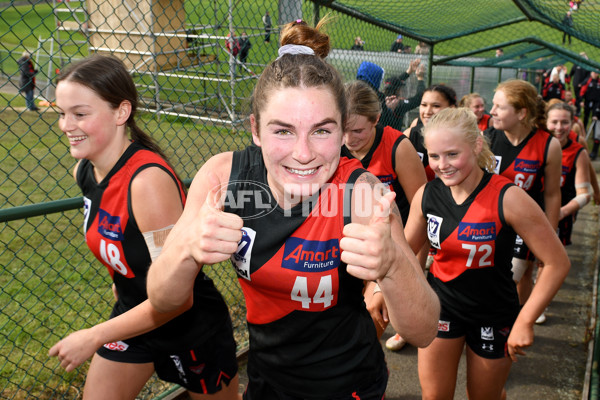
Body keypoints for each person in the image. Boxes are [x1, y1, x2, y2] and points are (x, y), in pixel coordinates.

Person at [146, 18, 440, 400]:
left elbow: (423, 330)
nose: (303, 154)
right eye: (283, 130)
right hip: (268, 383)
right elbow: (162, 297)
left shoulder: (361, 191)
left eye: (322, 130)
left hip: (349, 385)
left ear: (343, 130)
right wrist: (185, 249)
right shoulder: (224, 179)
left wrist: (393, 265)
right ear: (255, 129)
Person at [48, 55, 240, 400]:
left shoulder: (148, 182)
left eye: (79, 113)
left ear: (121, 112)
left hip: (190, 327)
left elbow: (177, 299)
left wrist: (95, 335)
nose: (65, 125)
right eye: (62, 113)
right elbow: (121, 247)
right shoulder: (85, 172)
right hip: (133, 318)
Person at [405, 107, 570, 400]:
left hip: (494, 314)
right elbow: (404, 253)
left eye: (453, 154)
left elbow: (557, 262)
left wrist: (525, 320)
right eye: (434, 156)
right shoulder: (427, 195)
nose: (442, 165)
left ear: (477, 145)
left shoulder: (510, 197)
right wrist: (379, 287)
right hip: (441, 308)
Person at [342, 79, 428, 342]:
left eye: (357, 131)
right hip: (350, 247)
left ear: (377, 119)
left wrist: (384, 275)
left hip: (394, 246)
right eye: (341, 130)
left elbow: (422, 210)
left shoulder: (398, 147)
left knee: (368, 330)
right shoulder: (331, 146)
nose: (348, 139)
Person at [484, 79, 562, 324]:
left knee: (511, 278)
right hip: (489, 222)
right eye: (492, 105)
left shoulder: (548, 145)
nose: (492, 111)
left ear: (521, 113)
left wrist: (549, 233)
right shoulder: (486, 137)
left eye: (499, 106)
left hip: (524, 226)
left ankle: (510, 324)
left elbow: (551, 194)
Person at [546, 102, 592, 245]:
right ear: (546, 121)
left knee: (549, 261)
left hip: (560, 216)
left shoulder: (578, 152)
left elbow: (584, 193)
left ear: (572, 123)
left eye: (565, 122)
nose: (559, 128)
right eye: (554, 122)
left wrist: (562, 212)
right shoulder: (536, 144)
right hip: (531, 213)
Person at [406, 84, 458, 182]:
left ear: (451, 109)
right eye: (424, 105)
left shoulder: (463, 138)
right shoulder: (411, 134)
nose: (427, 111)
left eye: (436, 106)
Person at [381, 58, 426, 131]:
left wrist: (408, 72)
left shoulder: (381, 98)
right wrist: (420, 78)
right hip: (393, 138)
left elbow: (394, 82)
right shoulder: (398, 104)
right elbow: (419, 98)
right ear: (398, 90)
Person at [570, 53, 590, 117]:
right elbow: (571, 72)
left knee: (582, 98)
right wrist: (569, 78)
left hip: (583, 86)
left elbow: (588, 76)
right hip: (576, 84)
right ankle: (577, 111)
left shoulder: (587, 66)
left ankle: (584, 111)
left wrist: (582, 83)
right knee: (577, 98)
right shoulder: (576, 64)